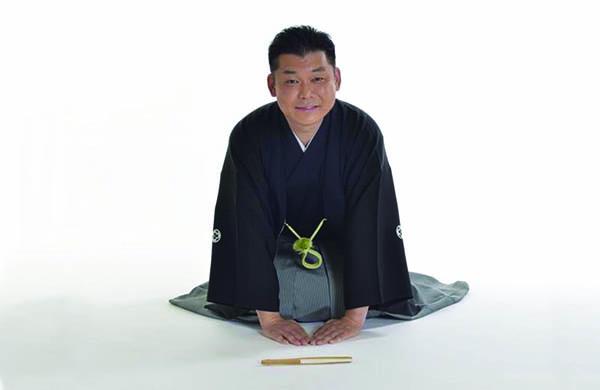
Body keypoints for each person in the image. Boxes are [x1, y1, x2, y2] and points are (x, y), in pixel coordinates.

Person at [169, 25, 469, 346]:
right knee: (289, 295)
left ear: (337, 79)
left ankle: (345, 300)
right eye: (292, 81)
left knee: (330, 293)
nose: (306, 93)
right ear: (272, 85)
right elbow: (246, 222)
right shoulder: (250, 134)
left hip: (344, 251)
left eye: (317, 78)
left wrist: (354, 318)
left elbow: (370, 220)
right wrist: (269, 319)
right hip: (276, 251)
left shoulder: (360, 131)